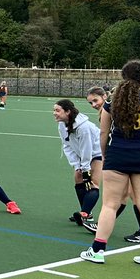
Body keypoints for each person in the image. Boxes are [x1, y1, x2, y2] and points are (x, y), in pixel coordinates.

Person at [80, 60, 140, 269]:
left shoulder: (111, 104)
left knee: (110, 205)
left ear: (123, 76)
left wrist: (104, 156)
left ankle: (98, 251)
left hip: (116, 157)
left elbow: (103, 133)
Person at [86, 87, 140, 243]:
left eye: (95, 100)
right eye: (90, 102)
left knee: (134, 196)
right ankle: (102, 225)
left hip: (125, 157)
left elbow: (107, 135)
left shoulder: (112, 109)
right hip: (128, 156)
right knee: (124, 195)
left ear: (105, 96)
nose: (93, 104)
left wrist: (105, 155)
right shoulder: (109, 109)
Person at [52, 98, 101, 234]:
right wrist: (76, 165)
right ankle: (86, 212)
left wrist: (86, 169)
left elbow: (88, 149)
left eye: (57, 110)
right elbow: (66, 145)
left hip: (98, 153)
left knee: (92, 183)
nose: (54, 113)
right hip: (82, 155)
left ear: (67, 112)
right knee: (78, 178)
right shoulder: (62, 125)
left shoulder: (83, 128)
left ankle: (84, 213)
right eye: (54, 110)